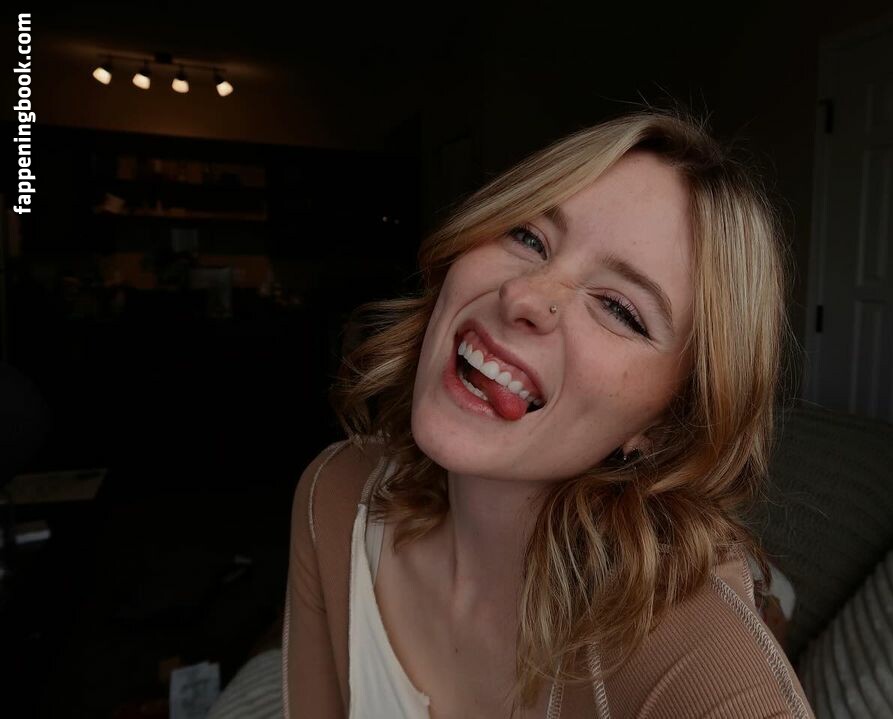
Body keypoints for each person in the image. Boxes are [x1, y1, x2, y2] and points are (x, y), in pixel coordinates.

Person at [282, 108, 812, 718]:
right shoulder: (333, 497)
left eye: (619, 308)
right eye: (528, 238)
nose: (524, 295)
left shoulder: (691, 653)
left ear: (667, 423)